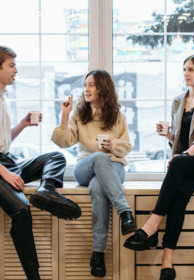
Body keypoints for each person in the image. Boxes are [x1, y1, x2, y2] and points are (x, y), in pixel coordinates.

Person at [124, 53, 194, 280]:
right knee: (180, 194)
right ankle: (167, 264)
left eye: (191, 69)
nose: (186, 74)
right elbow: (181, 142)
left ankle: (152, 225)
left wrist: (182, 156)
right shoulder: (178, 101)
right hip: (188, 164)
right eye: (184, 69)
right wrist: (170, 136)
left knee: (180, 163)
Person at [0, 46, 81, 280]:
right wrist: (6, 174)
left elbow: (3, 143)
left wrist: (22, 125)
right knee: (21, 210)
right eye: (11, 65)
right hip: (1, 168)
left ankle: (47, 189)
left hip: (7, 160)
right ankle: (33, 276)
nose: (16, 70)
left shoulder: (4, 97)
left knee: (55, 157)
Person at [51, 70, 137, 278]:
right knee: (99, 157)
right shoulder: (79, 115)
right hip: (85, 167)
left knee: (98, 187)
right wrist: (64, 114)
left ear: (103, 89)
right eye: (85, 85)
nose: (86, 89)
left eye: (91, 85)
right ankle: (125, 212)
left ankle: (97, 254)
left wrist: (113, 144)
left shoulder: (118, 116)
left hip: (114, 166)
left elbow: (126, 147)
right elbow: (64, 142)